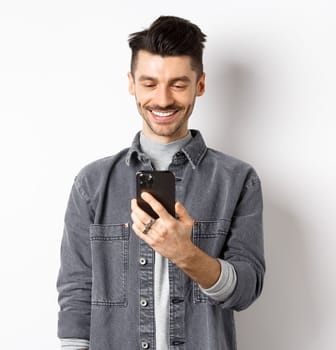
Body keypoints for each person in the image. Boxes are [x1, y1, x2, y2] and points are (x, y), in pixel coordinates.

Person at [56, 15, 265, 350]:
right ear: (132, 83)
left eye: (178, 84)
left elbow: (246, 290)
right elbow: (77, 292)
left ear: (200, 84)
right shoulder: (92, 183)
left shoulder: (238, 180)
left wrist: (186, 254)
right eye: (150, 83)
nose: (163, 99)